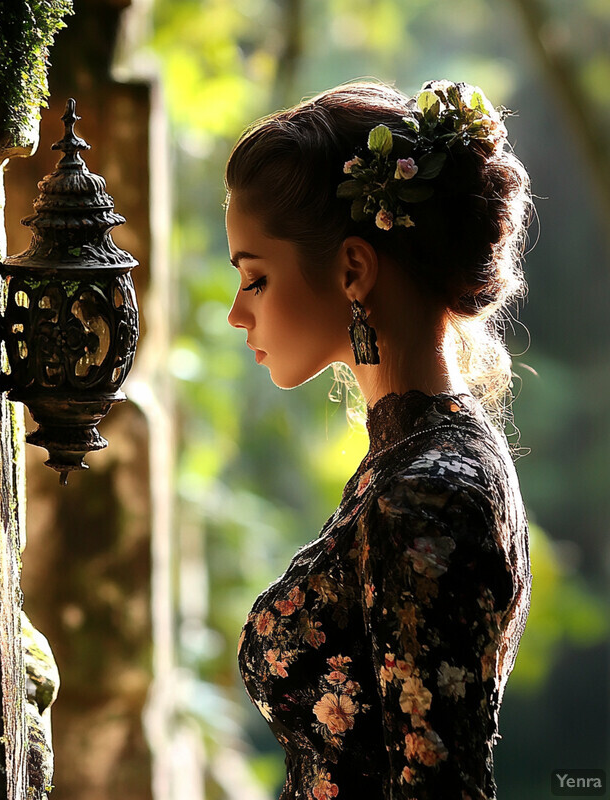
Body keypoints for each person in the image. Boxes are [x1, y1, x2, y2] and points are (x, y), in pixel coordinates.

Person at [225, 80, 533, 800]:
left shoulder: (430, 492)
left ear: (353, 269)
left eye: (256, 278)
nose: (238, 313)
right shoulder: (411, 463)